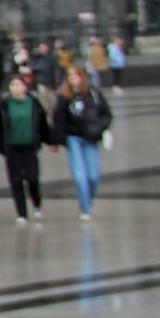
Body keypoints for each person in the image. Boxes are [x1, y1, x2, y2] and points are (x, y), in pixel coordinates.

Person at [51, 66, 113, 221]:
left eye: (75, 75)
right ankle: (85, 209)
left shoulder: (93, 93)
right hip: (73, 138)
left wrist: (101, 127)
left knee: (93, 175)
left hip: (91, 137)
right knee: (79, 175)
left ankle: (88, 201)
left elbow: (106, 113)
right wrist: (56, 140)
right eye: (69, 75)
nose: (72, 78)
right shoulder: (63, 96)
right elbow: (58, 120)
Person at [0, 74, 51, 224]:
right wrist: (0, 145)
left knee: (33, 178)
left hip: (30, 147)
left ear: (25, 87)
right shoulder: (5, 104)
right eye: (13, 85)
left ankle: (37, 204)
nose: (16, 88)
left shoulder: (33, 103)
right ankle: (21, 213)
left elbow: (43, 124)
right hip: (12, 148)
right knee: (16, 180)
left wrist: (50, 140)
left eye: (19, 85)